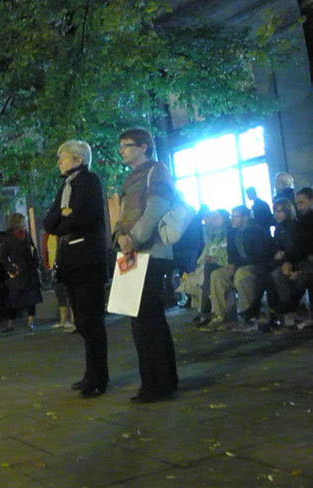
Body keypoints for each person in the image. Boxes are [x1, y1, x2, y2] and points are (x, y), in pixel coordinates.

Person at [112, 128, 178, 403]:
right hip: (130, 252)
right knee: (139, 319)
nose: (122, 150)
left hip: (150, 252)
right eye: (121, 146)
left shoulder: (157, 170)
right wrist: (120, 236)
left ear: (143, 147)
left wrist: (134, 238)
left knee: (148, 319)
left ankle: (158, 383)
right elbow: (122, 214)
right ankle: (156, 381)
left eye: (126, 145)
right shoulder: (129, 177)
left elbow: (157, 207)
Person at [43, 139, 109, 399]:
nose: (59, 163)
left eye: (63, 158)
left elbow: (83, 216)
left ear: (78, 160)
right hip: (70, 262)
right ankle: (90, 374)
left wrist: (66, 217)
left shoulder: (89, 182)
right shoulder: (66, 187)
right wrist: (65, 215)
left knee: (91, 321)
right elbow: (49, 222)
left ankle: (99, 377)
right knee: (82, 321)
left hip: (87, 261)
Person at [207, 206, 273, 331]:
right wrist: (232, 264)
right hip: (238, 266)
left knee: (242, 275)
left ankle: (248, 316)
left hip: (256, 266)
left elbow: (261, 255)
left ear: (245, 217)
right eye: (232, 216)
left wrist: (237, 265)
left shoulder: (257, 231)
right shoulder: (233, 233)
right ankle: (220, 315)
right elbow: (231, 252)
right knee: (216, 275)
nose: (232, 219)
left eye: (236, 217)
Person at [179, 209, 230, 326]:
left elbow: (225, 254)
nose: (213, 219)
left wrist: (213, 260)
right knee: (195, 279)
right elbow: (207, 249)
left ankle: (206, 312)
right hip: (209, 264)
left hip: (218, 265)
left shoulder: (227, 234)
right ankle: (203, 311)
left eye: (217, 217)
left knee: (204, 280)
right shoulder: (212, 234)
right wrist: (200, 262)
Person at [263, 198, 303, 330]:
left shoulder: (293, 227)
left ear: (287, 212)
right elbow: (278, 246)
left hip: (294, 262)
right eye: (275, 211)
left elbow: (297, 248)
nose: (276, 214)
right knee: (269, 275)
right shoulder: (279, 228)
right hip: (285, 261)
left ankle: (286, 310)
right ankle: (281, 311)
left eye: (280, 211)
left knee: (276, 276)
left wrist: (286, 259)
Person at [1, 213, 43, 333]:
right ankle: (10, 322)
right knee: (14, 297)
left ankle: (30, 321)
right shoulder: (8, 238)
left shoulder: (26, 235)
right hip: (18, 271)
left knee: (31, 297)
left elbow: (33, 249)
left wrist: (35, 262)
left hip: (29, 269)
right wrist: (11, 269)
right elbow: (4, 256)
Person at [42, 233, 75, 332]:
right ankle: (63, 320)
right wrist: (47, 265)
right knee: (60, 293)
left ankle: (73, 319)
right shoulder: (47, 236)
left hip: (65, 266)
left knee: (69, 293)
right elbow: (45, 251)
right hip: (54, 267)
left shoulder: (63, 234)